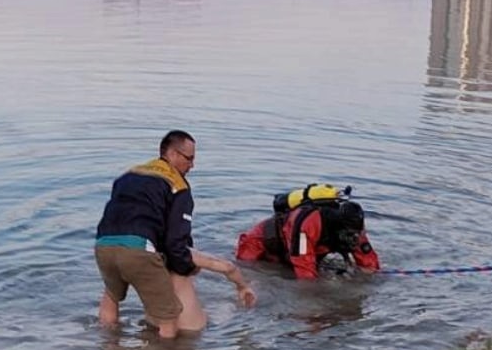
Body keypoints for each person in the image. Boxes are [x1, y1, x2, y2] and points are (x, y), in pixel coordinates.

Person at [96, 130, 255, 336]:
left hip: (103, 244)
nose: (192, 165)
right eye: (189, 159)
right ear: (171, 154)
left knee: (111, 295)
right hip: (139, 250)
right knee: (169, 318)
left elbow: (125, 213)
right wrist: (187, 265)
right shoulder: (178, 185)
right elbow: (177, 243)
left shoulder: (128, 175)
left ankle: (108, 348)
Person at [236, 185, 380, 282]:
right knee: (246, 269)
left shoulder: (353, 228)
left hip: (300, 247)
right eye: (351, 234)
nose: (355, 238)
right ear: (338, 226)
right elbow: (305, 270)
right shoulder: (308, 225)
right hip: (258, 244)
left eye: (357, 234)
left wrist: (370, 274)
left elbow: (368, 260)